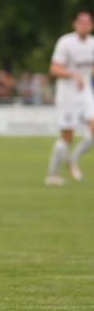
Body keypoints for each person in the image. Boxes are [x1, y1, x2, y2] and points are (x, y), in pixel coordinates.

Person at [45, 11, 94, 186]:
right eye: (81, 22)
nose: (84, 26)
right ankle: (52, 175)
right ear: (75, 24)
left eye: (87, 23)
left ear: (91, 25)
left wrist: (86, 75)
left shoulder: (92, 43)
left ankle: (72, 160)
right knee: (67, 137)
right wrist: (73, 74)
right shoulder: (65, 42)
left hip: (85, 92)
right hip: (67, 94)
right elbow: (54, 69)